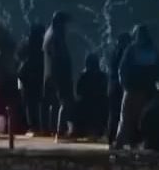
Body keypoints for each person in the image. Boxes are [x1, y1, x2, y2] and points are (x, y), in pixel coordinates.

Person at [116, 24, 159, 148]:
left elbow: (122, 69)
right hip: (148, 91)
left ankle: (120, 144)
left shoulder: (132, 49)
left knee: (126, 119)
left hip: (132, 90)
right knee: (145, 120)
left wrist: (125, 85)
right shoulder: (153, 50)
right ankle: (144, 144)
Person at [42, 11, 73, 140]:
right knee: (65, 102)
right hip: (59, 74)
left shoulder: (49, 33)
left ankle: (53, 129)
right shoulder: (57, 36)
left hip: (49, 74)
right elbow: (60, 58)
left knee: (54, 103)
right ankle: (60, 132)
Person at [17, 24, 45, 135]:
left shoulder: (26, 43)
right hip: (39, 75)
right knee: (38, 101)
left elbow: (18, 54)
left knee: (28, 103)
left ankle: (32, 126)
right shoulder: (43, 44)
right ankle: (40, 125)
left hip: (25, 76)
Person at [75, 53, 108, 140]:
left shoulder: (83, 76)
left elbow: (78, 92)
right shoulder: (102, 76)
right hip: (98, 104)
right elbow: (104, 90)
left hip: (87, 104)